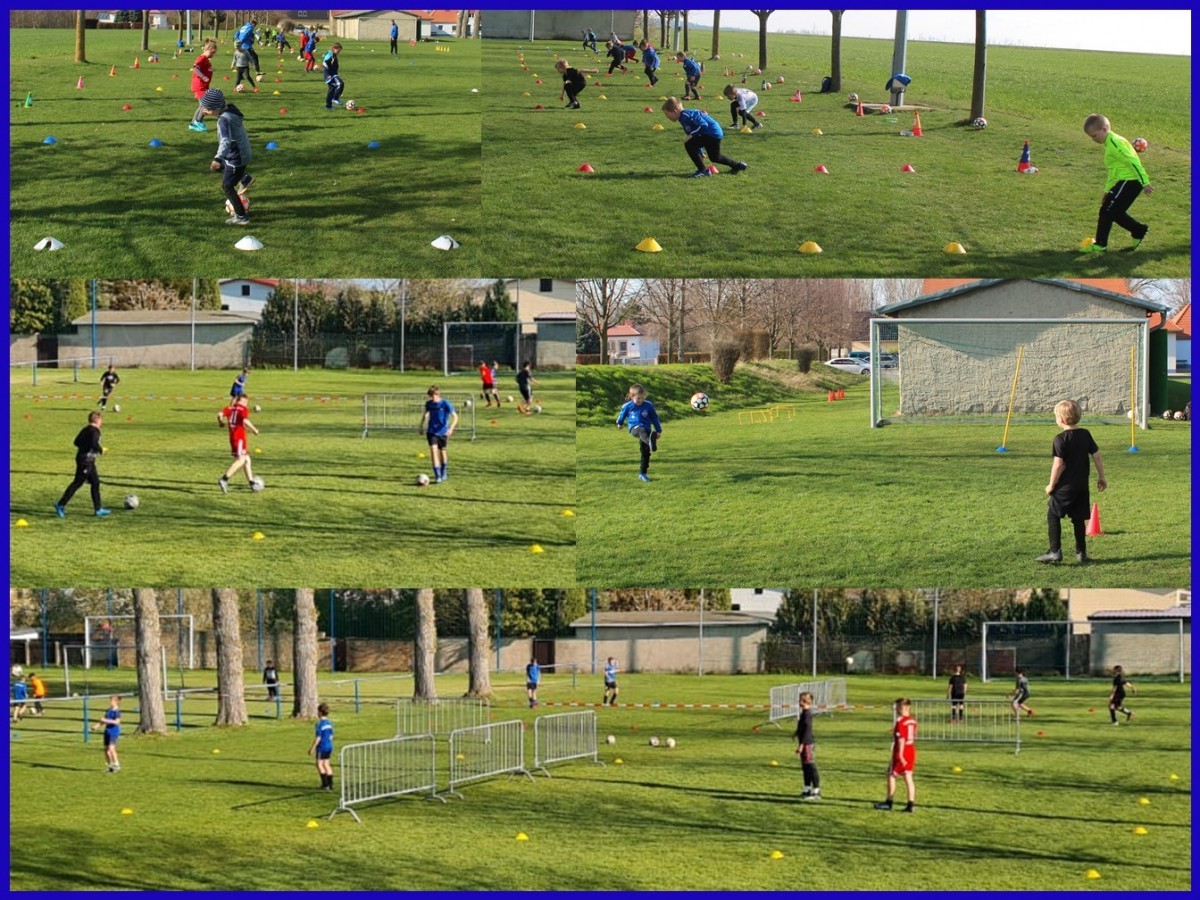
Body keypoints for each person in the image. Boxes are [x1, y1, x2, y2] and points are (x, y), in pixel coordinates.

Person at [1037, 399, 1107, 564]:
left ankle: (1055, 552)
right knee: (1078, 519)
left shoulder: (1060, 439)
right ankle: (1081, 554)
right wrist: (1101, 476)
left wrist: (1051, 485)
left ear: (1061, 419)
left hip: (1065, 487)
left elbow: (1058, 464)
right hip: (1082, 486)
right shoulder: (1085, 434)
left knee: (1053, 513)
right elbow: (1096, 455)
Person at [1080, 113, 1153, 254]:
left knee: (1108, 210)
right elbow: (1113, 170)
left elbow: (1133, 161)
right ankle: (1138, 230)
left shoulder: (1115, 142)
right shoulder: (1109, 143)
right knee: (1112, 211)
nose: (1093, 140)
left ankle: (1101, 244)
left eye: (1094, 136)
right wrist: (1107, 190)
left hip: (1131, 181)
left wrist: (1145, 182)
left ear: (1104, 129)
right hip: (1124, 181)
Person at [200, 89, 254, 226]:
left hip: (237, 156)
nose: (204, 111)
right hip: (241, 153)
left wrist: (218, 158)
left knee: (227, 186)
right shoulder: (231, 110)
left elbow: (225, 141)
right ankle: (244, 178)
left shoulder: (223, 120)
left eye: (207, 109)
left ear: (216, 108)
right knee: (222, 168)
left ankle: (241, 217)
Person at [662, 97, 747, 178]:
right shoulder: (683, 117)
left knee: (688, 143)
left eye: (667, 114)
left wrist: (690, 136)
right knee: (715, 157)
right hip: (714, 133)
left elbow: (703, 125)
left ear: (674, 111)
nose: (666, 117)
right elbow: (697, 134)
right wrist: (700, 151)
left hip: (711, 133)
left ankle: (702, 170)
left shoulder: (686, 115)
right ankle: (737, 165)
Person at [55, 411, 109, 517]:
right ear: (97, 420)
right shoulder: (95, 431)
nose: (101, 422)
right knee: (77, 483)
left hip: (87, 459)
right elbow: (94, 443)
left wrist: (86, 446)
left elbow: (76, 442)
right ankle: (60, 504)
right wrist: (100, 450)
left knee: (95, 482)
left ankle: (98, 509)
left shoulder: (85, 429)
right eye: (101, 420)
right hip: (86, 461)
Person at [874, 698, 916, 812]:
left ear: (905, 708)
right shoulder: (912, 720)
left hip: (901, 751)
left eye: (898, 707)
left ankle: (889, 802)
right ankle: (911, 804)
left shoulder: (900, 721)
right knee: (908, 776)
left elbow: (902, 738)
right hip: (911, 750)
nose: (896, 709)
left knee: (891, 774)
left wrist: (901, 755)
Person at [616, 383, 662, 482]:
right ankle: (650, 441)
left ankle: (643, 473)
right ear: (632, 397)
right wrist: (619, 423)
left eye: (642, 398)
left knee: (645, 453)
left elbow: (654, 418)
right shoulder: (627, 406)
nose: (640, 400)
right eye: (638, 398)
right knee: (641, 431)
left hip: (647, 430)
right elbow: (621, 415)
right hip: (634, 428)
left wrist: (658, 430)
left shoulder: (648, 405)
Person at [217, 395, 260, 492]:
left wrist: (220, 423)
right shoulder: (243, 409)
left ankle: (251, 483)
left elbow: (219, 414)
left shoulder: (229, 408)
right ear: (243, 400)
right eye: (247, 401)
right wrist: (254, 430)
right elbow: (245, 420)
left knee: (247, 460)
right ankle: (224, 479)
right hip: (239, 438)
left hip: (232, 438)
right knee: (241, 460)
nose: (247, 404)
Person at [418, 385, 458, 483]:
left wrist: (451, 428)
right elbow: (426, 414)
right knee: (433, 451)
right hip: (431, 431)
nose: (432, 399)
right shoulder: (429, 404)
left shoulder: (445, 403)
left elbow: (455, 417)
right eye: (430, 397)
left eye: (433, 396)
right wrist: (421, 425)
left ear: (437, 395)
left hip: (443, 432)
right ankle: (438, 475)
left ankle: (444, 470)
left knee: (442, 451)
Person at [794, 691, 821, 801]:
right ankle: (806, 789)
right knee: (805, 768)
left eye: (802, 700)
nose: (799, 702)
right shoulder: (803, 713)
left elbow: (807, 731)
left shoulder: (807, 714)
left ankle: (816, 791)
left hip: (807, 744)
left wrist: (801, 745)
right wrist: (796, 733)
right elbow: (802, 728)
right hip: (804, 743)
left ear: (807, 701)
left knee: (811, 767)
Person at [187, 39, 219, 132]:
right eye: (212, 52)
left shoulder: (206, 59)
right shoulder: (201, 58)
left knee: (201, 106)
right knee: (206, 105)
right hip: (199, 86)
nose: (213, 55)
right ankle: (198, 122)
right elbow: (195, 68)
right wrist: (203, 76)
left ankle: (193, 124)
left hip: (203, 86)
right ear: (207, 49)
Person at [309, 702, 334, 790]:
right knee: (327, 764)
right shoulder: (329, 723)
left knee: (319, 764)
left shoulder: (319, 724)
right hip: (329, 746)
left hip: (322, 746)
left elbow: (318, 737)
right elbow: (331, 736)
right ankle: (330, 784)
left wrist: (312, 748)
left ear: (319, 712)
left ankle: (325, 784)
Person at [93, 694, 122, 773]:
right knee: (106, 749)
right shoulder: (108, 710)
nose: (110, 702)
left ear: (116, 702)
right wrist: (97, 726)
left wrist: (106, 721)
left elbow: (117, 722)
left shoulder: (117, 711)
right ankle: (110, 766)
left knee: (111, 748)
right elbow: (103, 720)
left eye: (111, 700)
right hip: (107, 731)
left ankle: (117, 764)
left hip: (114, 732)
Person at [322, 42, 345, 110]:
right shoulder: (331, 55)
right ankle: (335, 98)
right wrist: (327, 74)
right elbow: (325, 62)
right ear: (334, 48)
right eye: (338, 50)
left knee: (331, 90)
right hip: (330, 75)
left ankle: (328, 106)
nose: (339, 52)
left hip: (332, 74)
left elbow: (324, 56)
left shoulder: (332, 54)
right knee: (340, 83)